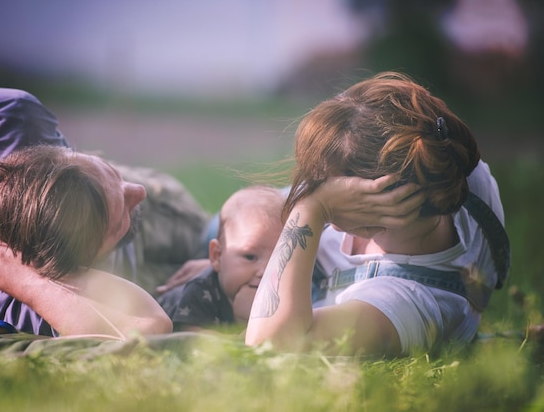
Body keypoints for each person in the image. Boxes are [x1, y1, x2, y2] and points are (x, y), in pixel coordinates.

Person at [245, 72, 509, 356]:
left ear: (382, 198)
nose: (315, 189)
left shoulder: (408, 304)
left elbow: (269, 344)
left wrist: (312, 208)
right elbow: (249, 205)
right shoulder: (447, 160)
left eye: (331, 188)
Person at [0, 87, 172, 337]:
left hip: (113, 186)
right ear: (74, 269)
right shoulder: (26, 305)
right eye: (119, 222)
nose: (139, 192)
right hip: (143, 243)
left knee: (200, 231)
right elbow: (149, 326)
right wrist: (12, 272)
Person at [158, 185, 285, 333]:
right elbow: (196, 348)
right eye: (250, 257)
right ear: (217, 256)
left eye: (280, 260)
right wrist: (245, 324)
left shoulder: (283, 293)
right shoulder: (199, 292)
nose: (265, 272)